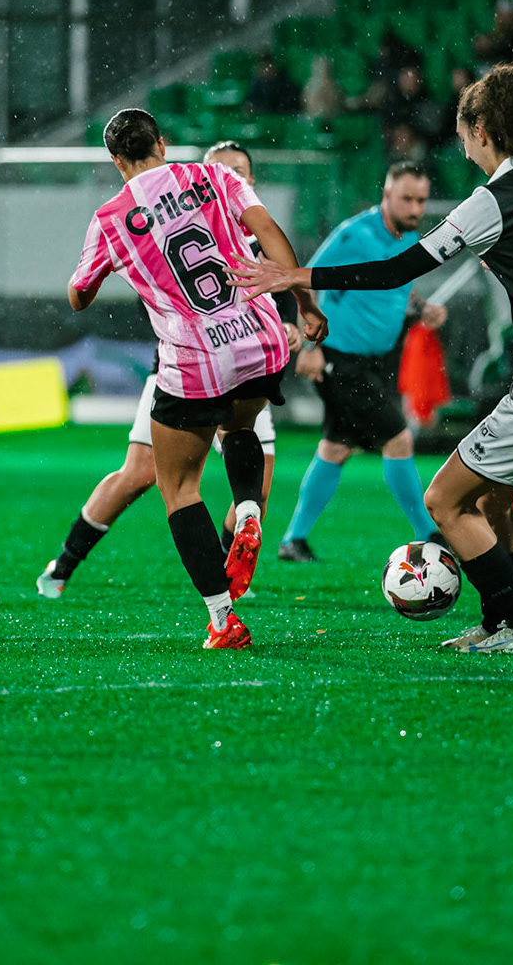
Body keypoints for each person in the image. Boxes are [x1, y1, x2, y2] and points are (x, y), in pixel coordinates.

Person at [236, 65, 513, 656]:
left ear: (485, 132)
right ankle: (501, 622)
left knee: (443, 500)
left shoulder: (490, 202)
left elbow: (397, 271)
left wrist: (293, 273)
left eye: (463, 128)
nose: (460, 140)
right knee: (495, 501)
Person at [67, 109, 325, 649]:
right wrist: (303, 303)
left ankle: (222, 619)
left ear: (117, 162)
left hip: (193, 359)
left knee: (178, 488)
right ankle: (249, 508)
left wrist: (101, 277)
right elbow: (270, 237)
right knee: (240, 428)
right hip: (259, 337)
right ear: (163, 142)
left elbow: (79, 293)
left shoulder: (111, 217)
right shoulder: (214, 176)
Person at [36, 142, 293, 598]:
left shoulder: (242, 230)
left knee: (217, 484)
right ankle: (66, 562)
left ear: (250, 180)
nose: (233, 175)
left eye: (241, 171)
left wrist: (292, 323)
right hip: (226, 358)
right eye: (224, 169)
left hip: (207, 362)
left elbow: (283, 290)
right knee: (142, 473)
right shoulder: (220, 215)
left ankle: (224, 581)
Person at [275, 162, 449, 563]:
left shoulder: (410, 237)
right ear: (386, 196)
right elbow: (305, 280)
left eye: (421, 200)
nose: (415, 207)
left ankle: (293, 540)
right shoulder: (355, 234)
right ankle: (431, 535)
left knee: (336, 447)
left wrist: (422, 309)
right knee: (398, 438)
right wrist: (308, 346)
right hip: (340, 358)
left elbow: (395, 291)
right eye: (406, 198)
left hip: (378, 362)